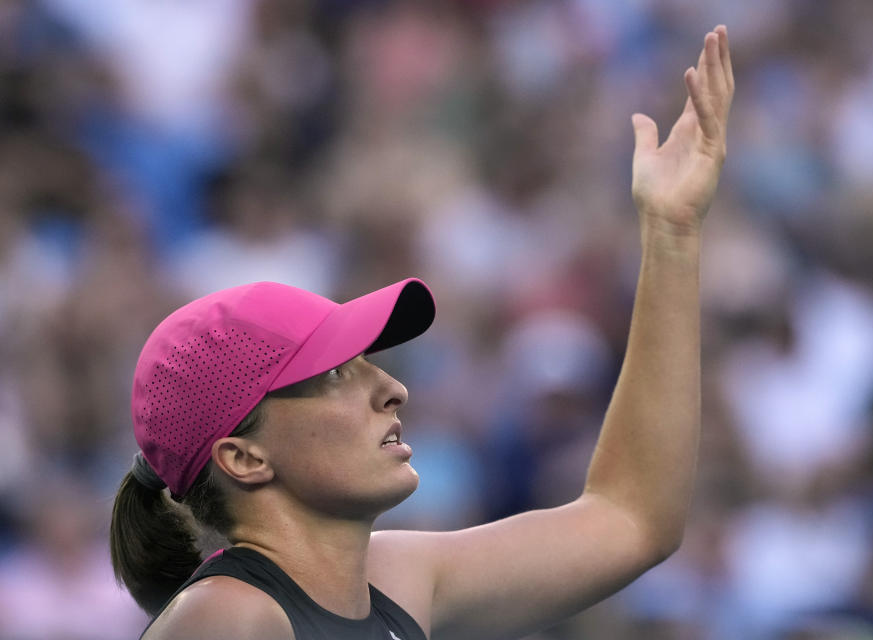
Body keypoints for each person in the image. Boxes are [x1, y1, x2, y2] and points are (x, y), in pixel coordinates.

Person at [110, 25, 734, 640]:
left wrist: (671, 234)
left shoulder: (394, 577)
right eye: (334, 374)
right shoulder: (225, 618)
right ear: (243, 458)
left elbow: (631, 519)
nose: (392, 388)